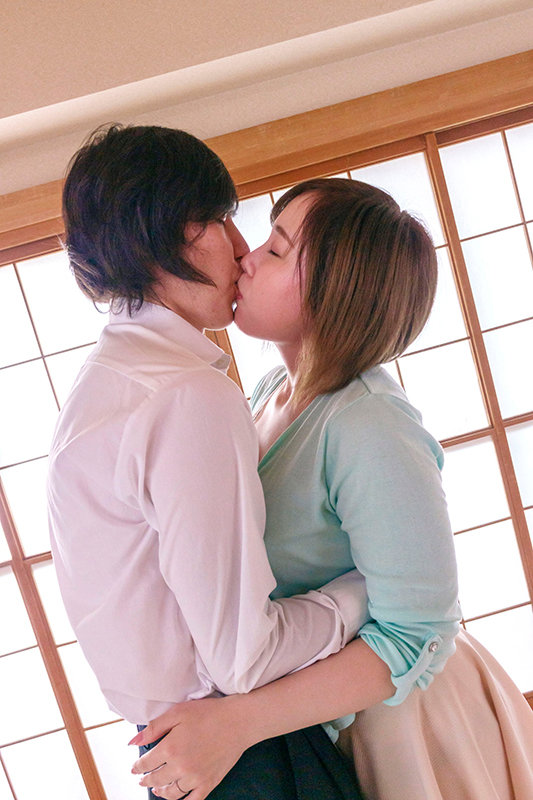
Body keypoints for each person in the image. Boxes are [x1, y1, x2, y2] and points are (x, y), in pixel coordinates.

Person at [133, 178, 533, 800]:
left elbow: (418, 631)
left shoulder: (368, 422)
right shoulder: (270, 393)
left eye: (277, 249)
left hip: (408, 725)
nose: (247, 258)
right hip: (320, 722)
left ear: (335, 289)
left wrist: (237, 723)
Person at [47, 126, 375, 800]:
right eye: (218, 219)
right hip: (244, 756)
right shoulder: (185, 395)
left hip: (184, 756)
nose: (240, 245)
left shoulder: (105, 382)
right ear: (161, 236)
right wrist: (366, 591)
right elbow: (244, 658)